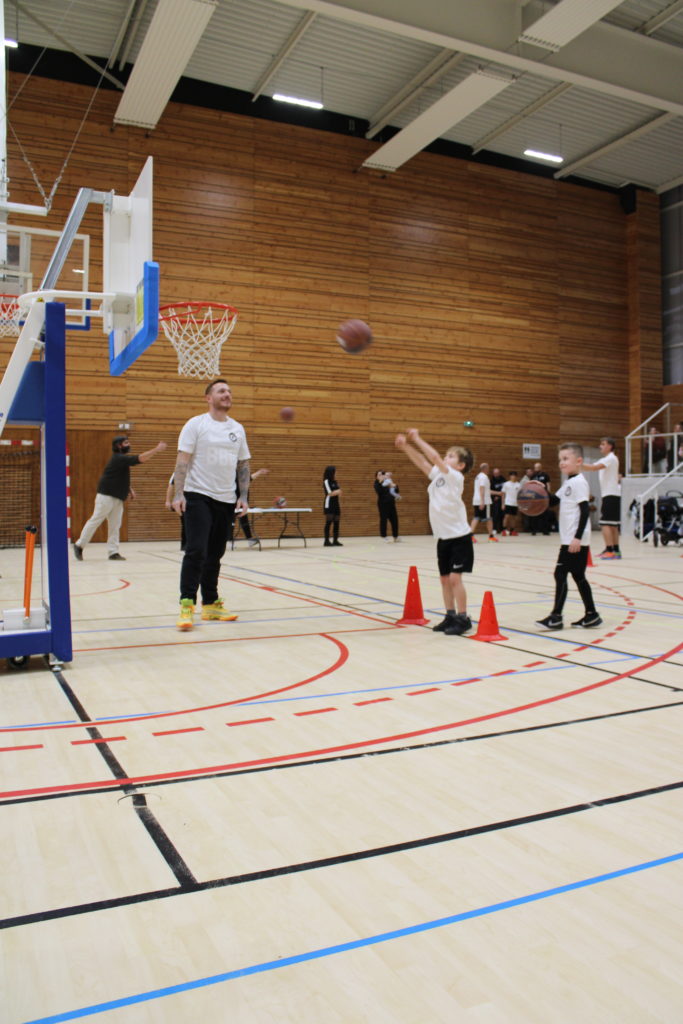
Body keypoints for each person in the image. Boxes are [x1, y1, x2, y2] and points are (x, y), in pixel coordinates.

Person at [172, 379, 251, 631]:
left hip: (226, 499)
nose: (227, 394)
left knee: (216, 553)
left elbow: (243, 464)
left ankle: (210, 604)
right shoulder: (196, 424)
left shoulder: (237, 429)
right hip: (198, 495)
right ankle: (187, 604)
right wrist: (178, 494)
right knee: (196, 550)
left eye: (229, 391)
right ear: (208, 398)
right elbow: (182, 460)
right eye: (221, 391)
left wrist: (244, 496)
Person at [395, 429, 474, 635]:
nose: (445, 458)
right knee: (445, 579)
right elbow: (423, 462)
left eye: (451, 456)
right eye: (446, 455)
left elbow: (433, 457)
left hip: (459, 537)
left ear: (460, 465)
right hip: (443, 538)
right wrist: (406, 447)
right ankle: (450, 616)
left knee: (455, 579)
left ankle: (463, 618)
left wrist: (417, 438)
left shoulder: (455, 476)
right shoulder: (439, 477)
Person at [537, 443, 602, 631]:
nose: (561, 463)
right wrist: (541, 490)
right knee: (578, 576)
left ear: (578, 461)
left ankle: (556, 617)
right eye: (560, 459)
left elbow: (584, 511)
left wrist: (577, 538)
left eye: (566, 459)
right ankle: (592, 615)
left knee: (560, 574)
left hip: (574, 540)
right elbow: (553, 501)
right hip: (572, 538)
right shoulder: (568, 483)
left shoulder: (579, 482)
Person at [74, 435, 167, 560]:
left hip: (117, 498)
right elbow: (140, 458)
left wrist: (129, 489)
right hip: (106, 497)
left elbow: (118, 477)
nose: (129, 445)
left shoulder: (121, 460)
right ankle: (79, 545)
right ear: (119, 445)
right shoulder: (118, 458)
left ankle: (113, 552)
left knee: (115, 525)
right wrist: (156, 449)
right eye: (126, 443)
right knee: (95, 521)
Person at [583, 437, 621, 560]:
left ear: (610, 446)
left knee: (605, 523)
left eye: (603, 444)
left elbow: (593, 468)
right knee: (613, 525)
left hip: (610, 495)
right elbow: (592, 466)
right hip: (612, 494)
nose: (600, 446)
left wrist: (576, 464)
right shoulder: (607, 459)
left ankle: (610, 550)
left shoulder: (611, 458)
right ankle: (615, 550)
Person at [232, 467, 269, 547]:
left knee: (244, 522)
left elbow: (250, 478)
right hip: (233, 504)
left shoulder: (243, 478)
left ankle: (250, 540)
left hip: (242, 505)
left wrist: (259, 472)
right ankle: (229, 541)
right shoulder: (233, 477)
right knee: (231, 523)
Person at [469, 461, 498, 541]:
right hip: (484, 501)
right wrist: (482, 501)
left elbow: (486, 490)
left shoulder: (478, 477)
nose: (489, 470)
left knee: (476, 517)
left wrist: (498, 493)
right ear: (486, 469)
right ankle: (491, 536)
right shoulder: (484, 477)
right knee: (489, 519)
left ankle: (470, 536)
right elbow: (481, 488)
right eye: (488, 468)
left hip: (476, 500)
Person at [374, 469, 401, 542]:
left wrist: (395, 486)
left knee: (394, 520)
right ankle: (384, 536)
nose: (381, 476)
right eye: (379, 475)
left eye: (382, 474)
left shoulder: (388, 481)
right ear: (376, 476)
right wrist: (380, 481)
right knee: (384, 520)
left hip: (391, 503)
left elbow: (396, 491)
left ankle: (395, 536)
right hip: (383, 504)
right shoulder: (376, 483)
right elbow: (379, 491)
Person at [165, 473, 186, 550]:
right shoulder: (178, 472)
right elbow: (171, 485)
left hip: (197, 500)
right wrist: (168, 501)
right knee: (185, 524)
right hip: (182, 501)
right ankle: (185, 545)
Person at [323, 465, 342, 546]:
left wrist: (338, 492)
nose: (336, 473)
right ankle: (326, 541)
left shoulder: (335, 482)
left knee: (337, 522)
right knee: (329, 522)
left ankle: (335, 540)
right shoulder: (326, 481)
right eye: (335, 471)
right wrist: (337, 492)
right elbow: (330, 493)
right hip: (329, 504)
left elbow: (339, 492)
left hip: (336, 503)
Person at [531, 461, 552, 536]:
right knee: (534, 513)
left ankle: (545, 530)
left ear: (541, 467)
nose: (537, 468)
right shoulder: (533, 476)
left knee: (545, 513)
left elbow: (548, 485)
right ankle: (534, 530)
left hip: (543, 496)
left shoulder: (545, 475)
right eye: (535, 467)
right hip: (535, 497)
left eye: (538, 467)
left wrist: (548, 494)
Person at [500, 471, 521, 536]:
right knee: (506, 516)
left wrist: (520, 504)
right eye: (512, 475)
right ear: (510, 477)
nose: (513, 477)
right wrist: (502, 504)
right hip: (508, 503)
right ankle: (504, 530)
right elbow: (503, 494)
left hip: (515, 503)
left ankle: (512, 531)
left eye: (514, 475)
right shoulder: (506, 484)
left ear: (516, 477)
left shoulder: (519, 485)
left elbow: (520, 495)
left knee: (513, 517)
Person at [490, 466, 506, 534]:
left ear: (499, 473)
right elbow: (490, 491)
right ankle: (494, 528)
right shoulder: (491, 481)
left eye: (497, 473)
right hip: (495, 501)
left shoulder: (503, 480)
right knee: (495, 515)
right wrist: (495, 496)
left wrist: (500, 496)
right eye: (495, 473)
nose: (496, 474)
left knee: (503, 514)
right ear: (493, 474)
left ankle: (502, 529)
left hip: (503, 499)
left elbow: (505, 490)